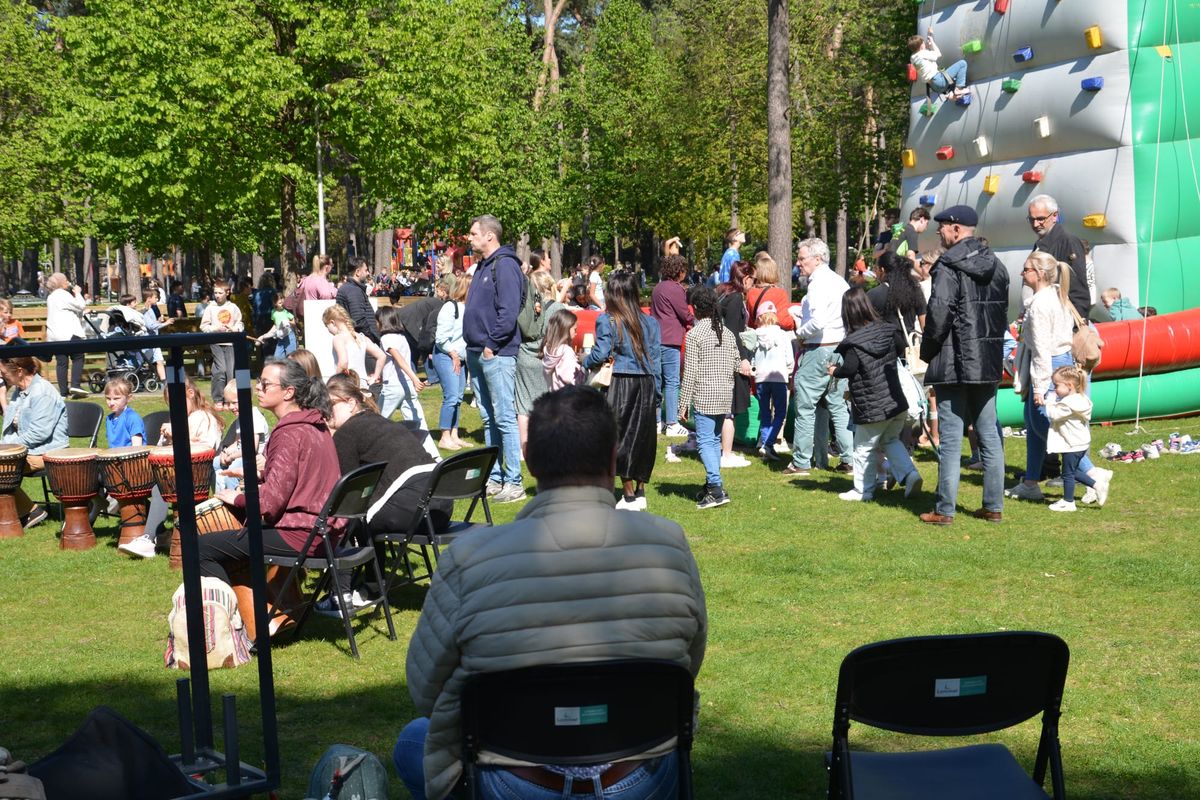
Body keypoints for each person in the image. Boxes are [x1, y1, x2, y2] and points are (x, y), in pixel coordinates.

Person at [392, 385, 707, 800]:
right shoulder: (669, 544)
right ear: (614, 459)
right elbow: (688, 663)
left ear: (529, 458)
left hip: (514, 777)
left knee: (414, 741)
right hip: (641, 775)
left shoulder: (469, 559)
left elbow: (425, 689)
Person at [197, 361, 339, 634]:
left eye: (265, 384)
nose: (258, 389)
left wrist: (236, 499)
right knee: (235, 539)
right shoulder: (315, 424)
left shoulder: (288, 432)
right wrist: (259, 478)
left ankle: (235, 623)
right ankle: (273, 609)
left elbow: (269, 505)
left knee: (200, 547)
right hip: (323, 532)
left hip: (301, 534)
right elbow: (302, 479)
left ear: (288, 392)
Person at [917, 206, 1008, 525]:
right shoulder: (997, 266)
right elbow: (1000, 315)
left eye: (941, 228)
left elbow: (938, 314)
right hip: (985, 361)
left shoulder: (948, 265)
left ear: (956, 229)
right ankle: (993, 506)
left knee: (953, 437)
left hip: (954, 361)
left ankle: (944, 510)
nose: (939, 233)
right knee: (989, 434)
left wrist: (927, 352)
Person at [326, 373, 450, 552]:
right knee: (363, 513)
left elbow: (348, 493)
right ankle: (372, 578)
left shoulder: (347, 432)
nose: (326, 411)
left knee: (352, 516)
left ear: (351, 403)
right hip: (440, 509)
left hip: (412, 510)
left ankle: (355, 579)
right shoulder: (382, 422)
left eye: (331, 405)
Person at [828, 289, 922, 502]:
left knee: (862, 449)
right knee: (891, 440)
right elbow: (900, 348)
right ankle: (910, 474)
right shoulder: (888, 331)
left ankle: (863, 490)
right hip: (896, 401)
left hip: (872, 406)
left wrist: (835, 371)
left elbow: (850, 368)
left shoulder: (853, 342)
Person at [120, 375, 224, 558]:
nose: (174, 409)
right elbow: (163, 451)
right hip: (175, 473)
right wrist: (168, 438)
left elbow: (206, 450)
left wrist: (178, 436)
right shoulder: (179, 419)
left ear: (190, 394)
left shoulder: (205, 418)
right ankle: (158, 534)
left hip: (198, 475)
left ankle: (149, 538)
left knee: (161, 488)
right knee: (144, 484)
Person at [583, 271, 663, 510]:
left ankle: (628, 495)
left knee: (618, 438)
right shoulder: (650, 322)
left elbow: (600, 353)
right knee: (642, 438)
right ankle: (640, 491)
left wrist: (584, 361)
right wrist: (657, 391)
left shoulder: (607, 320)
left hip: (620, 383)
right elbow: (656, 359)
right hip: (647, 383)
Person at [462, 214, 525, 504]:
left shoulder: (506, 265)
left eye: (474, 234)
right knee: (489, 418)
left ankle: (514, 481)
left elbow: (508, 312)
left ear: (490, 235)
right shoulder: (483, 266)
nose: (470, 238)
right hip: (477, 351)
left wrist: (491, 345)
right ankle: (495, 477)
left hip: (496, 353)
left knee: (503, 417)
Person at [785, 238, 853, 477]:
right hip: (839, 349)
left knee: (805, 406)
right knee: (837, 406)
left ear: (817, 258)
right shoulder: (839, 281)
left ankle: (801, 462)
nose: (798, 263)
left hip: (818, 349)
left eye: (802, 258)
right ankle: (848, 459)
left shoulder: (818, 283)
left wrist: (798, 332)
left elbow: (818, 322)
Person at [679, 286, 739, 508]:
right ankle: (711, 484)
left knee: (705, 442)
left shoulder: (694, 334)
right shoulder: (727, 332)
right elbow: (735, 363)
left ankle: (715, 488)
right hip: (724, 395)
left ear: (694, 309)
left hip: (704, 395)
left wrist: (682, 403)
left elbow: (690, 372)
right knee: (714, 440)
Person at [1, 356, 67, 527]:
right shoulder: (19, 391)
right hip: (26, 450)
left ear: (20, 371)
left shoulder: (42, 392)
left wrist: (9, 449)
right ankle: (20, 511)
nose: (3, 377)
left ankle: (30, 512)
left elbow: (39, 433)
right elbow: (10, 428)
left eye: (4, 373)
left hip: (45, 451)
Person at [1044, 365, 1108, 512]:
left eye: (1056, 385)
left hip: (1072, 444)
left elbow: (1054, 414)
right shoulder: (1079, 399)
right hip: (1079, 443)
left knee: (1067, 474)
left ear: (1070, 386)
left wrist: (1047, 401)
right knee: (1070, 471)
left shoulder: (1069, 404)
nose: (1054, 389)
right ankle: (1097, 485)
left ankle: (1068, 502)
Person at [514, 271, 561, 454]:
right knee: (546, 404)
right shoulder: (557, 308)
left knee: (524, 406)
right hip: (547, 359)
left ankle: (524, 449)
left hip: (525, 357)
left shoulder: (526, 307)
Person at [715, 261, 756, 468]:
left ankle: (722, 451)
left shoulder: (723, 293)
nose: (754, 284)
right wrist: (743, 359)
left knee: (723, 407)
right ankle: (727, 454)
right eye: (753, 280)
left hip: (718, 356)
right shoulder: (736, 298)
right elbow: (733, 332)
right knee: (729, 408)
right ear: (746, 278)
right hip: (730, 359)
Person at [649, 254, 693, 437]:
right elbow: (684, 314)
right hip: (670, 340)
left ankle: (657, 421)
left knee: (657, 382)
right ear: (679, 271)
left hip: (655, 338)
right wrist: (693, 320)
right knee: (673, 382)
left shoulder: (657, 288)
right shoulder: (676, 289)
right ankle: (672, 423)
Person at [1028, 194, 1090, 320]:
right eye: (1031, 219)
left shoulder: (1068, 243)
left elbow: (1078, 292)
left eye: (1040, 219)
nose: (1035, 224)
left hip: (1061, 326)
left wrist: (1073, 327)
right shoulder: (1040, 244)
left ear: (1055, 216)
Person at [751, 302, 793, 462]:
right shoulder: (783, 335)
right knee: (780, 412)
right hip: (779, 377)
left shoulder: (756, 335)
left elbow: (753, 358)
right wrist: (789, 372)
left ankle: (765, 443)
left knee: (765, 413)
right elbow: (789, 359)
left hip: (761, 378)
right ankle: (768, 443)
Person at [431, 274, 469, 451]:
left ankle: (454, 434)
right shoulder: (450, 307)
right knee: (452, 396)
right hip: (446, 355)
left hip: (459, 358)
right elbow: (441, 339)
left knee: (459, 397)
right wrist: (453, 354)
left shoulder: (468, 308)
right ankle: (444, 437)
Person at [215, 379, 270, 491]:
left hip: (254, 458)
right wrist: (225, 452)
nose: (230, 407)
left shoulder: (254, 417)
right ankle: (219, 495)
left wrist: (231, 457)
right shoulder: (241, 417)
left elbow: (251, 448)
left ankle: (233, 502)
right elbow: (238, 442)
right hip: (240, 455)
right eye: (228, 403)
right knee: (215, 463)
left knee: (231, 476)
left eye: (234, 403)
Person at [376, 304, 428, 425]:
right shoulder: (401, 337)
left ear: (382, 321)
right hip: (407, 386)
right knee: (418, 423)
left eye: (376, 321)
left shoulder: (386, 338)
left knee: (377, 421)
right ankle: (425, 443)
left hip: (394, 386)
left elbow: (399, 359)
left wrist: (415, 379)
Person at [44, 272, 89, 398]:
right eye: (66, 280)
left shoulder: (51, 297)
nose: (68, 282)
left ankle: (63, 392)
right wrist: (78, 293)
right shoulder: (63, 295)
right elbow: (80, 306)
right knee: (78, 356)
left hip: (55, 335)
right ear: (62, 283)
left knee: (61, 362)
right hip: (69, 332)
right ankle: (75, 384)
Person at [199, 281, 244, 405]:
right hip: (216, 342)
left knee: (230, 372)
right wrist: (215, 329)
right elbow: (204, 326)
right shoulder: (210, 308)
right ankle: (218, 399)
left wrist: (234, 329)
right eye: (215, 293)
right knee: (220, 370)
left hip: (230, 343)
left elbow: (239, 323)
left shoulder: (233, 307)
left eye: (220, 293)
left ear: (227, 293)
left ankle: (229, 399)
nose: (217, 295)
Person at [324, 304, 384, 389]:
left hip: (347, 384)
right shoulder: (361, 337)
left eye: (327, 326)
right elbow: (381, 355)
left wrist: (334, 382)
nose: (328, 330)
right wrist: (375, 376)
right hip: (363, 384)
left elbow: (343, 362)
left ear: (332, 322)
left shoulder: (338, 338)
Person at [909, 30, 969, 100]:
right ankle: (958, 89)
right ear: (921, 45)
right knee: (962, 64)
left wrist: (929, 47)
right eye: (923, 43)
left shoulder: (913, 58)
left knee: (952, 77)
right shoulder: (923, 53)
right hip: (938, 80)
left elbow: (927, 61)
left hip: (934, 86)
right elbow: (938, 54)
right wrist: (932, 43)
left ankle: (951, 94)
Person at [336, 258, 382, 345]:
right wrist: (371, 338)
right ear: (357, 272)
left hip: (356, 340)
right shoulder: (354, 291)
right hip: (362, 342)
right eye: (366, 270)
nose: (368, 273)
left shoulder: (349, 289)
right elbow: (359, 320)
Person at [540, 308, 584, 391]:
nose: (576, 332)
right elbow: (572, 379)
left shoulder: (548, 349)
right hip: (568, 399)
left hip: (554, 397)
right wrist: (584, 370)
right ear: (566, 329)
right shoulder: (567, 351)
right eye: (575, 329)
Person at [140, 288, 174, 382]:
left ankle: (164, 381)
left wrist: (158, 321)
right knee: (144, 361)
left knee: (159, 360)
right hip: (148, 341)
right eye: (155, 297)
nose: (157, 299)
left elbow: (152, 323)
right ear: (148, 299)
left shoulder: (151, 310)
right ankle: (144, 378)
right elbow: (150, 326)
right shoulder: (145, 311)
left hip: (154, 339)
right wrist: (166, 323)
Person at [103, 377, 146, 448]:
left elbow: (137, 447)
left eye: (116, 398)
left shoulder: (132, 418)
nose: (111, 403)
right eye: (108, 398)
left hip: (131, 457)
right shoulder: (109, 419)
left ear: (129, 398)